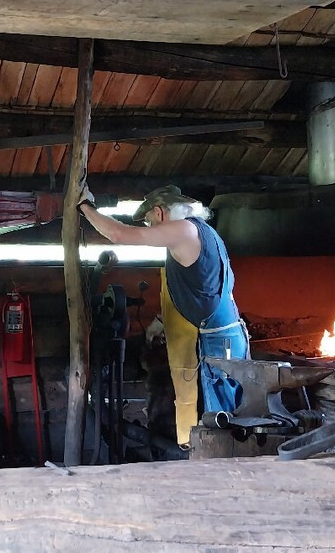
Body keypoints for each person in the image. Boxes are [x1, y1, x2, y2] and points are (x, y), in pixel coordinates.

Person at [78, 184, 248, 448]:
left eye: (149, 221)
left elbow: (118, 233)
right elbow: (197, 289)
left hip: (216, 341)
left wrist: (85, 208)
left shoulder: (184, 230)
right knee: (220, 418)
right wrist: (160, 319)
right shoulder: (202, 233)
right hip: (219, 336)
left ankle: (225, 470)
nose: (150, 227)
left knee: (222, 424)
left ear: (159, 213)